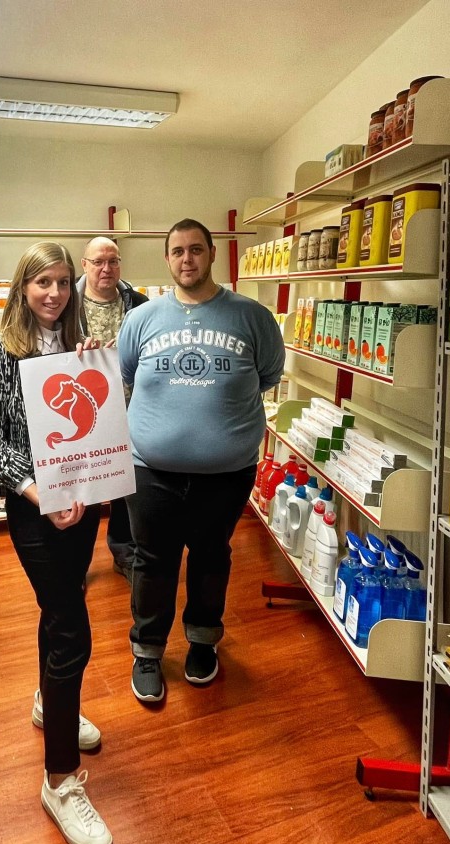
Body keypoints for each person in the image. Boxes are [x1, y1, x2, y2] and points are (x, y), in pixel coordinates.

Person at [0, 241, 112, 844]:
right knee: (72, 632)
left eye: (62, 282)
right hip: (36, 508)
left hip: (82, 505)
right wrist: (41, 493)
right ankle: (60, 780)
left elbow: (99, 422)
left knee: (59, 611)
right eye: (42, 283)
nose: (54, 294)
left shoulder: (80, 344)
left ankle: (46, 702)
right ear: (22, 287)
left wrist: (97, 365)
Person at [118, 218, 285, 701]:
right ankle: (147, 650)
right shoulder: (142, 318)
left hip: (226, 474)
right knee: (152, 560)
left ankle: (203, 642)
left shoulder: (252, 317)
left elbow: (268, 375)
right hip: (150, 470)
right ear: (167, 259)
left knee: (211, 556)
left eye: (195, 249)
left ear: (212, 253)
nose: (186, 259)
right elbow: (126, 373)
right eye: (177, 251)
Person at [76, 237, 148, 581]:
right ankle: (76, 563)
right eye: (98, 262)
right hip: (83, 412)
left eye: (114, 261)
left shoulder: (139, 304)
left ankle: (124, 552)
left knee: (126, 486)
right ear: (84, 264)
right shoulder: (66, 304)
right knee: (83, 487)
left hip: (131, 408)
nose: (107, 268)